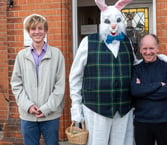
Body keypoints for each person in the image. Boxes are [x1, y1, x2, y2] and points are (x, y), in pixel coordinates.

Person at [69, 0, 136, 145]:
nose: (113, 25)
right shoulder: (88, 42)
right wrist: (76, 109)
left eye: (118, 20)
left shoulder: (127, 42)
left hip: (124, 108)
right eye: (108, 21)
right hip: (95, 109)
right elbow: (75, 77)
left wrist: (159, 59)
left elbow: (135, 65)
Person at [10, 15, 65, 145]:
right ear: (28, 32)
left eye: (40, 28)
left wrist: (46, 108)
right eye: (33, 29)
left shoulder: (57, 55)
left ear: (46, 31)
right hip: (28, 116)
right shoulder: (21, 56)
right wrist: (28, 106)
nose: (37, 32)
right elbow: (16, 84)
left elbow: (60, 86)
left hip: (50, 115)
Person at [131, 34, 167, 145]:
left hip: (165, 120)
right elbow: (135, 91)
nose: (148, 52)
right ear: (140, 50)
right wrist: (158, 85)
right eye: (145, 48)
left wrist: (143, 89)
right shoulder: (136, 69)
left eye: (151, 48)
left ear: (157, 48)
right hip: (142, 121)